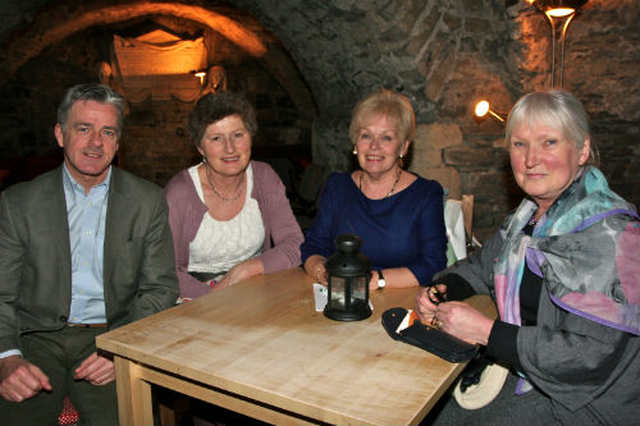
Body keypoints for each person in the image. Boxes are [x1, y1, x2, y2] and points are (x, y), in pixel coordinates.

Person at [416, 90, 639, 425]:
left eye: (549, 142)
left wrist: (487, 332)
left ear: (582, 150)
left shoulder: (611, 234)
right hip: (529, 374)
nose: (531, 158)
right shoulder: (530, 216)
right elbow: (482, 265)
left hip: (585, 403)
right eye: (520, 144)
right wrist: (444, 289)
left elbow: (589, 355)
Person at [0, 84, 179, 425]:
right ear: (60, 134)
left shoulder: (147, 201)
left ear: (117, 141)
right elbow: (1, 293)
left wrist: (120, 348)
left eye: (107, 131)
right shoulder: (18, 203)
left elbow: (160, 288)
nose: (96, 142)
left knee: (127, 419)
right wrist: (6, 358)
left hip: (111, 332)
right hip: (33, 337)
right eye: (83, 128)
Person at [301, 88, 448, 290]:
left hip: (402, 302)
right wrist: (324, 273)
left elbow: (433, 264)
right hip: (340, 297)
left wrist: (370, 280)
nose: (374, 146)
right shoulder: (337, 187)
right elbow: (312, 247)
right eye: (366, 136)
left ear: (403, 147)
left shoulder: (425, 194)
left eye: (386, 137)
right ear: (355, 143)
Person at [164, 91, 303, 300]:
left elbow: (294, 244)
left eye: (238, 135)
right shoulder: (179, 193)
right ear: (200, 147)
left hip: (255, 289)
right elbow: (166, 272)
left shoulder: (264, 177)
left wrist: (248, 269)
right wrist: (214, 298)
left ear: (251, 137)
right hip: (195, 300)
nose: (230, 148)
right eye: (216, 138)